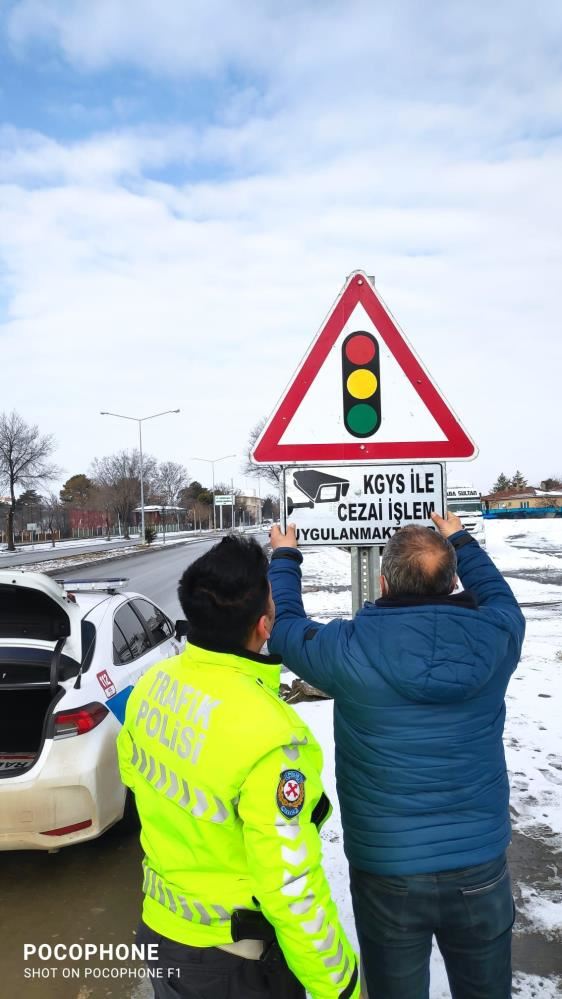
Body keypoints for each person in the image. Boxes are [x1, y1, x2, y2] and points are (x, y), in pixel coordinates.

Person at [268, 512, 525, 999]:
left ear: (383, 583)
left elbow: (283, 628)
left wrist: (284, 556)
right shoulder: (498, 637)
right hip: (479, 866)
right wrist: (461, 539)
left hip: (387, 870)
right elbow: (498, 595)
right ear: (453, 583)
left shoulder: (347, 648)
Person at [117, 534, 361, 999]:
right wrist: (340, 983)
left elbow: (133, 774)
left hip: (160, 933)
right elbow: (290, 885)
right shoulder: (272, 737)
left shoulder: (151, 684)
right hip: (233, 964)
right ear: (264, 626)